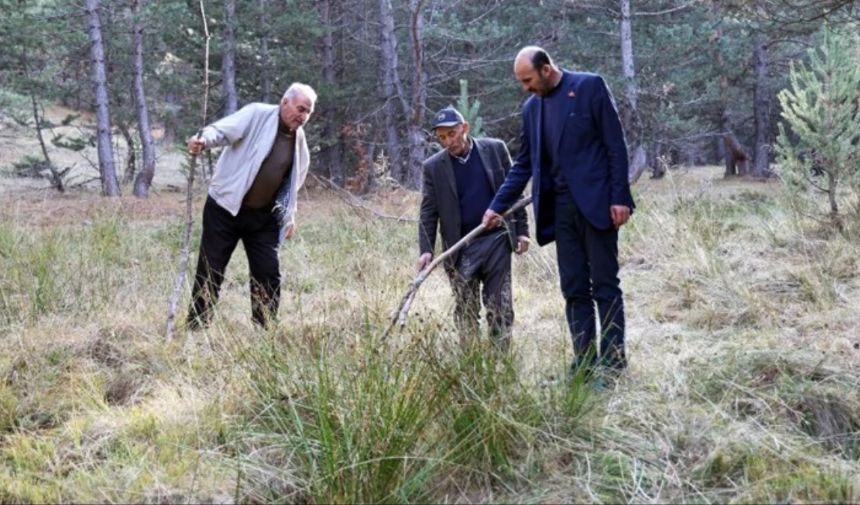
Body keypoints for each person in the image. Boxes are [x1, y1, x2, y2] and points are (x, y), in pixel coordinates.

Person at [482, 47, 635, 374]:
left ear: (546, 68)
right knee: (574, 288)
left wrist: (620, 197)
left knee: (605, 285)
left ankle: (612, 365)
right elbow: (523, 165)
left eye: (528, 79)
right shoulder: (531, 109)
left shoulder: (590, 87)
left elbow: (615, 146)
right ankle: (584, 364)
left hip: (598, 206)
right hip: (560, 211)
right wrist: (497, 207)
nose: (525, 87)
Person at [185, 83, 316, 329]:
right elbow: (223, 130)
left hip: (263, 218)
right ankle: (197, 329)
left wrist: (289, 215)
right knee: (211, 269)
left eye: (308, 112)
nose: (303, 116)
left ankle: (264, 330)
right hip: (224, 209)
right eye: (300, 108)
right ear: (284, 102)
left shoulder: (298, 139)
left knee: (268, 273)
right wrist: (202, 140)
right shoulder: (257, 114)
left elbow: (293, 181)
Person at [419, 106, 530, 351]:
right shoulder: (433, 167)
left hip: (497, 241)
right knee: (466, 311)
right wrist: (426, 249)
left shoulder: (494, 149)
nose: (448, 141)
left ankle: (499, 363)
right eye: (442, 138)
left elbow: (515, 192)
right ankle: (472, 363)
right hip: (460, 249)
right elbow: (428, 211)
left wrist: (522, 230)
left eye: (452, 133)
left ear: (465, 128)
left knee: (500, 307)